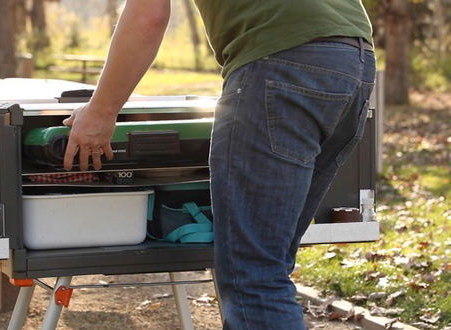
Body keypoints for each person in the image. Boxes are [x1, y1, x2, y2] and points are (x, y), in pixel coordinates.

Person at [62, 1, 376, 329]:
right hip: (353, 60)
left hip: (281, 62)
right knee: (269, 263)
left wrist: (101, 111)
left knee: (255, 274)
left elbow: (148, 16)